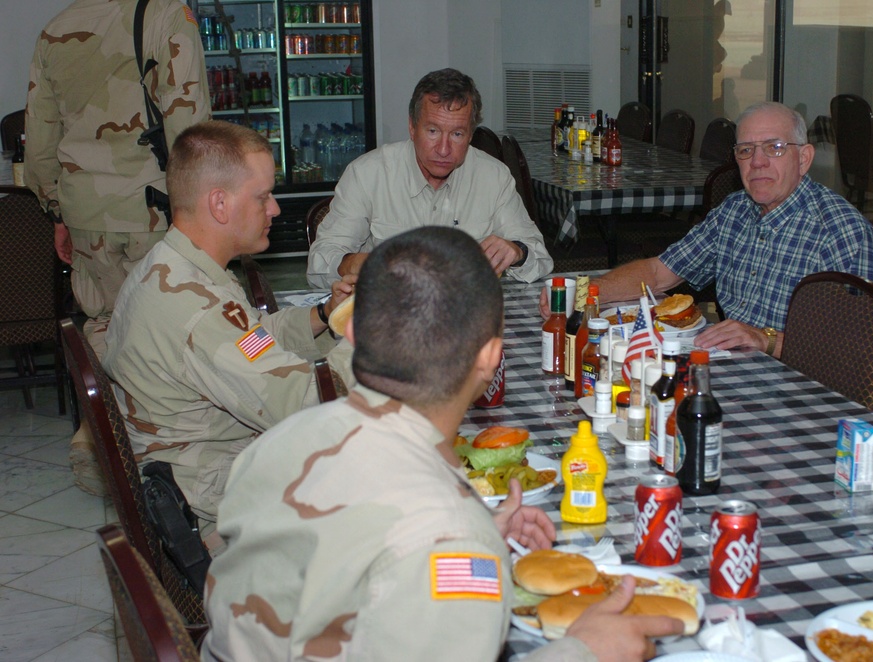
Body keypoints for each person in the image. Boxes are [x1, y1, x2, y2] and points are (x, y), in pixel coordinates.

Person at [202, 227, 683, 662]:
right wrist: (585, 651)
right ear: (490, 359)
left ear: (353, 332)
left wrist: (474, 538)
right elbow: (425, 539)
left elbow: (336, 564)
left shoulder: (278, 441)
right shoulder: (450, 535)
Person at [103, 121, 355, 541]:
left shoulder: (176, 267)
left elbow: (250, 340)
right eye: (262, 197)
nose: (274, 208)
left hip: (205, 474)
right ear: (219, 204)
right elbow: (309, 405)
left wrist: (326, 316)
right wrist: (367, 334)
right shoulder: (196, 309)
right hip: (220, 517)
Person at [541, 101, 873, 358]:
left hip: (800, 390)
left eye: (775, 148)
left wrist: (765, 339)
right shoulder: (735, 211)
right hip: (731, 369)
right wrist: (584, 291)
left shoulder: (842, 234)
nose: (758, 162)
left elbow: (859, 351)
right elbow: (659, 273)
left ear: (805, 158)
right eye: (746, 150)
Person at [25, 0, 210, 356]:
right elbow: (187, 120)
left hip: (85, 213)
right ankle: (158, 411)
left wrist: (56, 211)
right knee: (176, 326)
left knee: (107, 322)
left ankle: (107, 408)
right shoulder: (167, 13)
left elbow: (40, 139)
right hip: (156, 208)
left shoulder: (55, 29)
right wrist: (205, 203)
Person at [306, 68, 553, 290]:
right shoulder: (368, 174)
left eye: (457, 134)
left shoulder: (494, 177)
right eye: (433, 131)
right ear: (412, 127)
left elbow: (540, 258)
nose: (444, 149)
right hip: (388, 316)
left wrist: (517, 251)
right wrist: (354, 263)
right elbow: (318, 264)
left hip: (468, 315)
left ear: (470, 136)